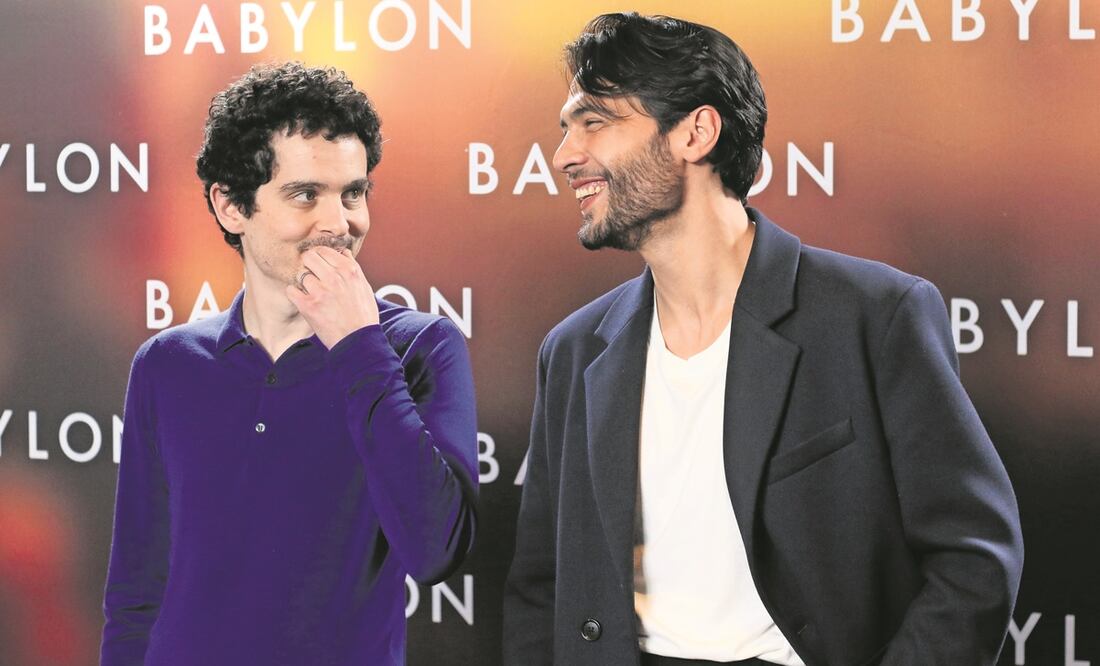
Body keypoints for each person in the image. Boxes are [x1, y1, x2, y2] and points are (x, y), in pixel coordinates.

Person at [503, 13, 1023, 666]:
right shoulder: (574, 351)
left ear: (696, 131)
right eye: (565, 129)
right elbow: (541, 587)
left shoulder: (875, 316)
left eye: (595, 121)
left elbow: (973, 558)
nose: (564, 155)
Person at [101, 62, 478, 665]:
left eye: (353, 193)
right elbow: (136, 595)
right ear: (230, 206)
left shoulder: (419, 348)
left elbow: (436, 550)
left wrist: (358, 343)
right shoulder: (166, 365)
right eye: (306, 194)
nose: (339, 223)